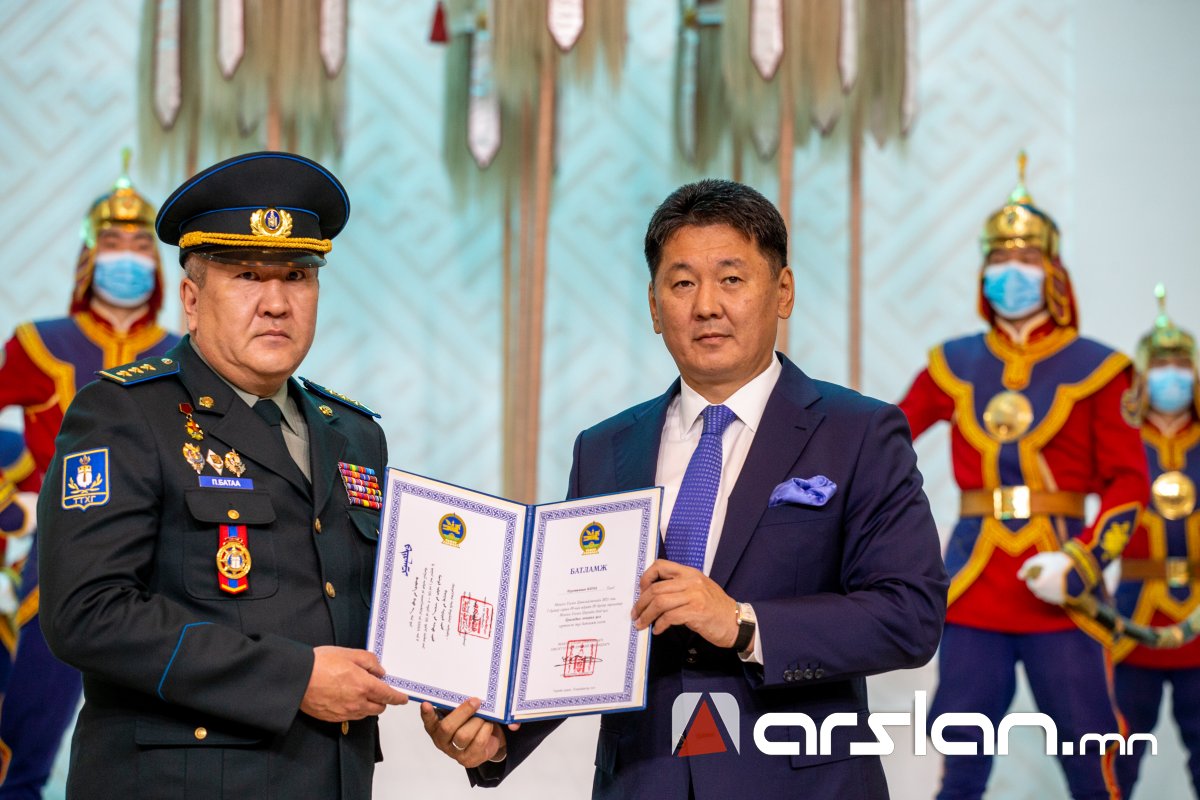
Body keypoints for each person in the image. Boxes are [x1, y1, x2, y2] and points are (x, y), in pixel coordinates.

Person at [422, 178, 948, 799]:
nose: (706, 306)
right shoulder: (605, 449)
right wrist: (497, 734)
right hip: (644, 783)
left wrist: (742, 624)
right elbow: (577, 623)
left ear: (782, 292)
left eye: (732, 279)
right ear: (654, 306)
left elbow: (909, 615)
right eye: (681, 284)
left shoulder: (858, 432)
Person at [37, 151, 408, 798]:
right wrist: (292, 678)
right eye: (246, 276)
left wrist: (467, 701)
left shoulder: (354, 434)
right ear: (191, 299)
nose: (276, 303)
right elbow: (87, 613)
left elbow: (374, 608)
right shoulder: (124, 413)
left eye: (297, 276)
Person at [898, 154, 1150, 800]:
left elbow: (1130, 484)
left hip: (1063, 591)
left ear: (1054, 273)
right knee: (960, 764)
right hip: (971, 585)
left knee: (1091, 758)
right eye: (1000, 261)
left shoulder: (1102, 369)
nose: (1012, 274)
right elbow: (884, 444)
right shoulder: (951, 362)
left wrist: (1083, 562)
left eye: (1027, 261)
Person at [0, 154, 180, 798]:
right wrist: (13, 507)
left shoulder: (182, 355)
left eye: (139, 246)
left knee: (157, 739)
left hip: (160, 562)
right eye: (113, 244)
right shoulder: (37, 342)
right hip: (53, 556)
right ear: (88, 256)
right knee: (24, 728)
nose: (126, 258)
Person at [1112, 286, 1200, 798]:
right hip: (1133, 622)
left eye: (1182, 365)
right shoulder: (1120, 440)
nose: (1172, 376)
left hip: (1198, 624)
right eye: (1161, 366)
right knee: (1116, 758)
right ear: (1143, 377)